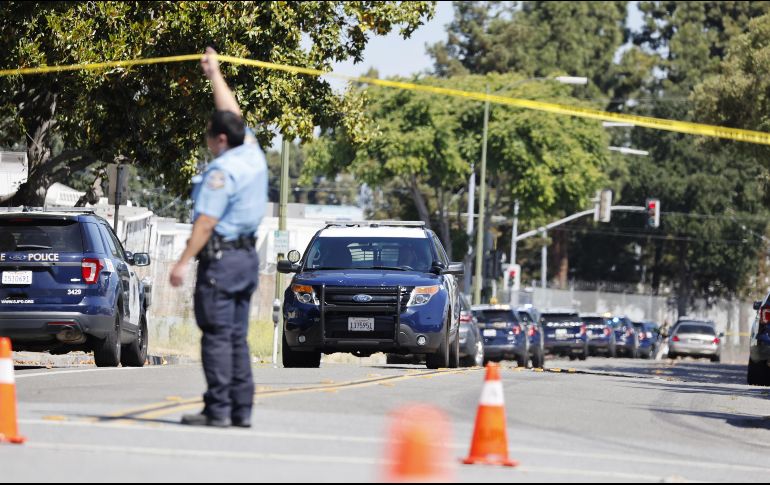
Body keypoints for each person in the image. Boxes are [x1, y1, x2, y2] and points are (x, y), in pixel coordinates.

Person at [170, 47, 268, 428]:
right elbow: (234, 114)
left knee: (216, 335)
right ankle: (240, 410)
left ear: (221, 140)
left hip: (221, 262)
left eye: (211, 139)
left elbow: (206, 223)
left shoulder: (222, 170)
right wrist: (215, 74)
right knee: (236, 336)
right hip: (246, 261)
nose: (208, 145)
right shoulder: (253, 155)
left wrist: (181, 262)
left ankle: (218, 409)